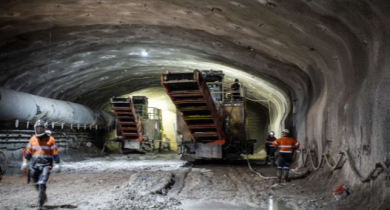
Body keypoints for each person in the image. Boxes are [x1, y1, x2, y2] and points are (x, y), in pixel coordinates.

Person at [21, 120, 60, 210]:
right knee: (36, 184)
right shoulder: (32, 139)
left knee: (42, 183)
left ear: (44, 129)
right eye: (37, 129)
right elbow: (28, 153)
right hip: (34, 165)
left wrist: (57, 163)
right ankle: (43, 195)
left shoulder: (50, 139)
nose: (39, 130)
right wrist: (25, 162)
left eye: (41, 129)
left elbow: (55, 152)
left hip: (46, 165)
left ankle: (39, 204)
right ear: (35, 129)